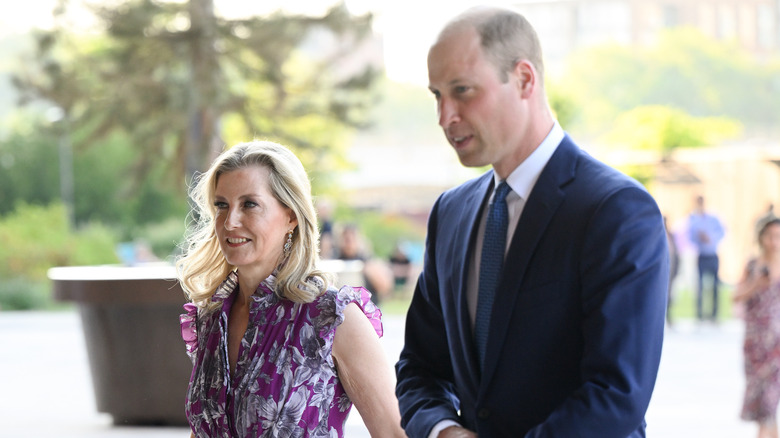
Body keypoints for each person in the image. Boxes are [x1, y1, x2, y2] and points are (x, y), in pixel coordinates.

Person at [394, 6, 669, 437]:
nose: (445, 116)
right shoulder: (450, 212)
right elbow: (420, 366)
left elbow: (617, 393)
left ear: (524, 79)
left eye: (462, 91)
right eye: (436, 95)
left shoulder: (615, 210)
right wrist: (443, 430)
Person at [175, 140, 406, 437]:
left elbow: (394, 432)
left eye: (249, 204)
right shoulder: (211, 319)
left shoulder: (332, 318)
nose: (230, 221)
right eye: (222, 205)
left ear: (291, 217)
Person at [734, 216, 780, 438]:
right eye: (770, 236)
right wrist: (756, 284)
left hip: (777, 343)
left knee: (770, 401)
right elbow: (736, 297)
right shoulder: (753, 265)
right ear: (762, 237)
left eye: (778, 237)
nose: (774, 242)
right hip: (756, 342)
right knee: (763, 401)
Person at [687, 195, 725, 322]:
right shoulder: (693, 219)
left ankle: (714, 314)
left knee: (715, 285)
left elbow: (722, 232)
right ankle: (700, 313)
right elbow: (690, 238)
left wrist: (711, 238)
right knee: (700, 285)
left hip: (712, 254)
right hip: (701, 255)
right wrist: (699, 238)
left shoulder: (713, 218)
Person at [336, 223, 394, 305]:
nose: (349, 242)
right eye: (346, 239)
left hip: (367, 310)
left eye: (352, 238)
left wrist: (370, 271)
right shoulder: (334, 261)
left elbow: (385, 288)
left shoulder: (368, 261)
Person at [665, 215, 680, 326]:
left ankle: (669, 316)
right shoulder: (658, 235)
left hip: (671, 269)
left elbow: (676, 253)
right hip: (663, 271)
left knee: (670, 295)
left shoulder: (671, 236)